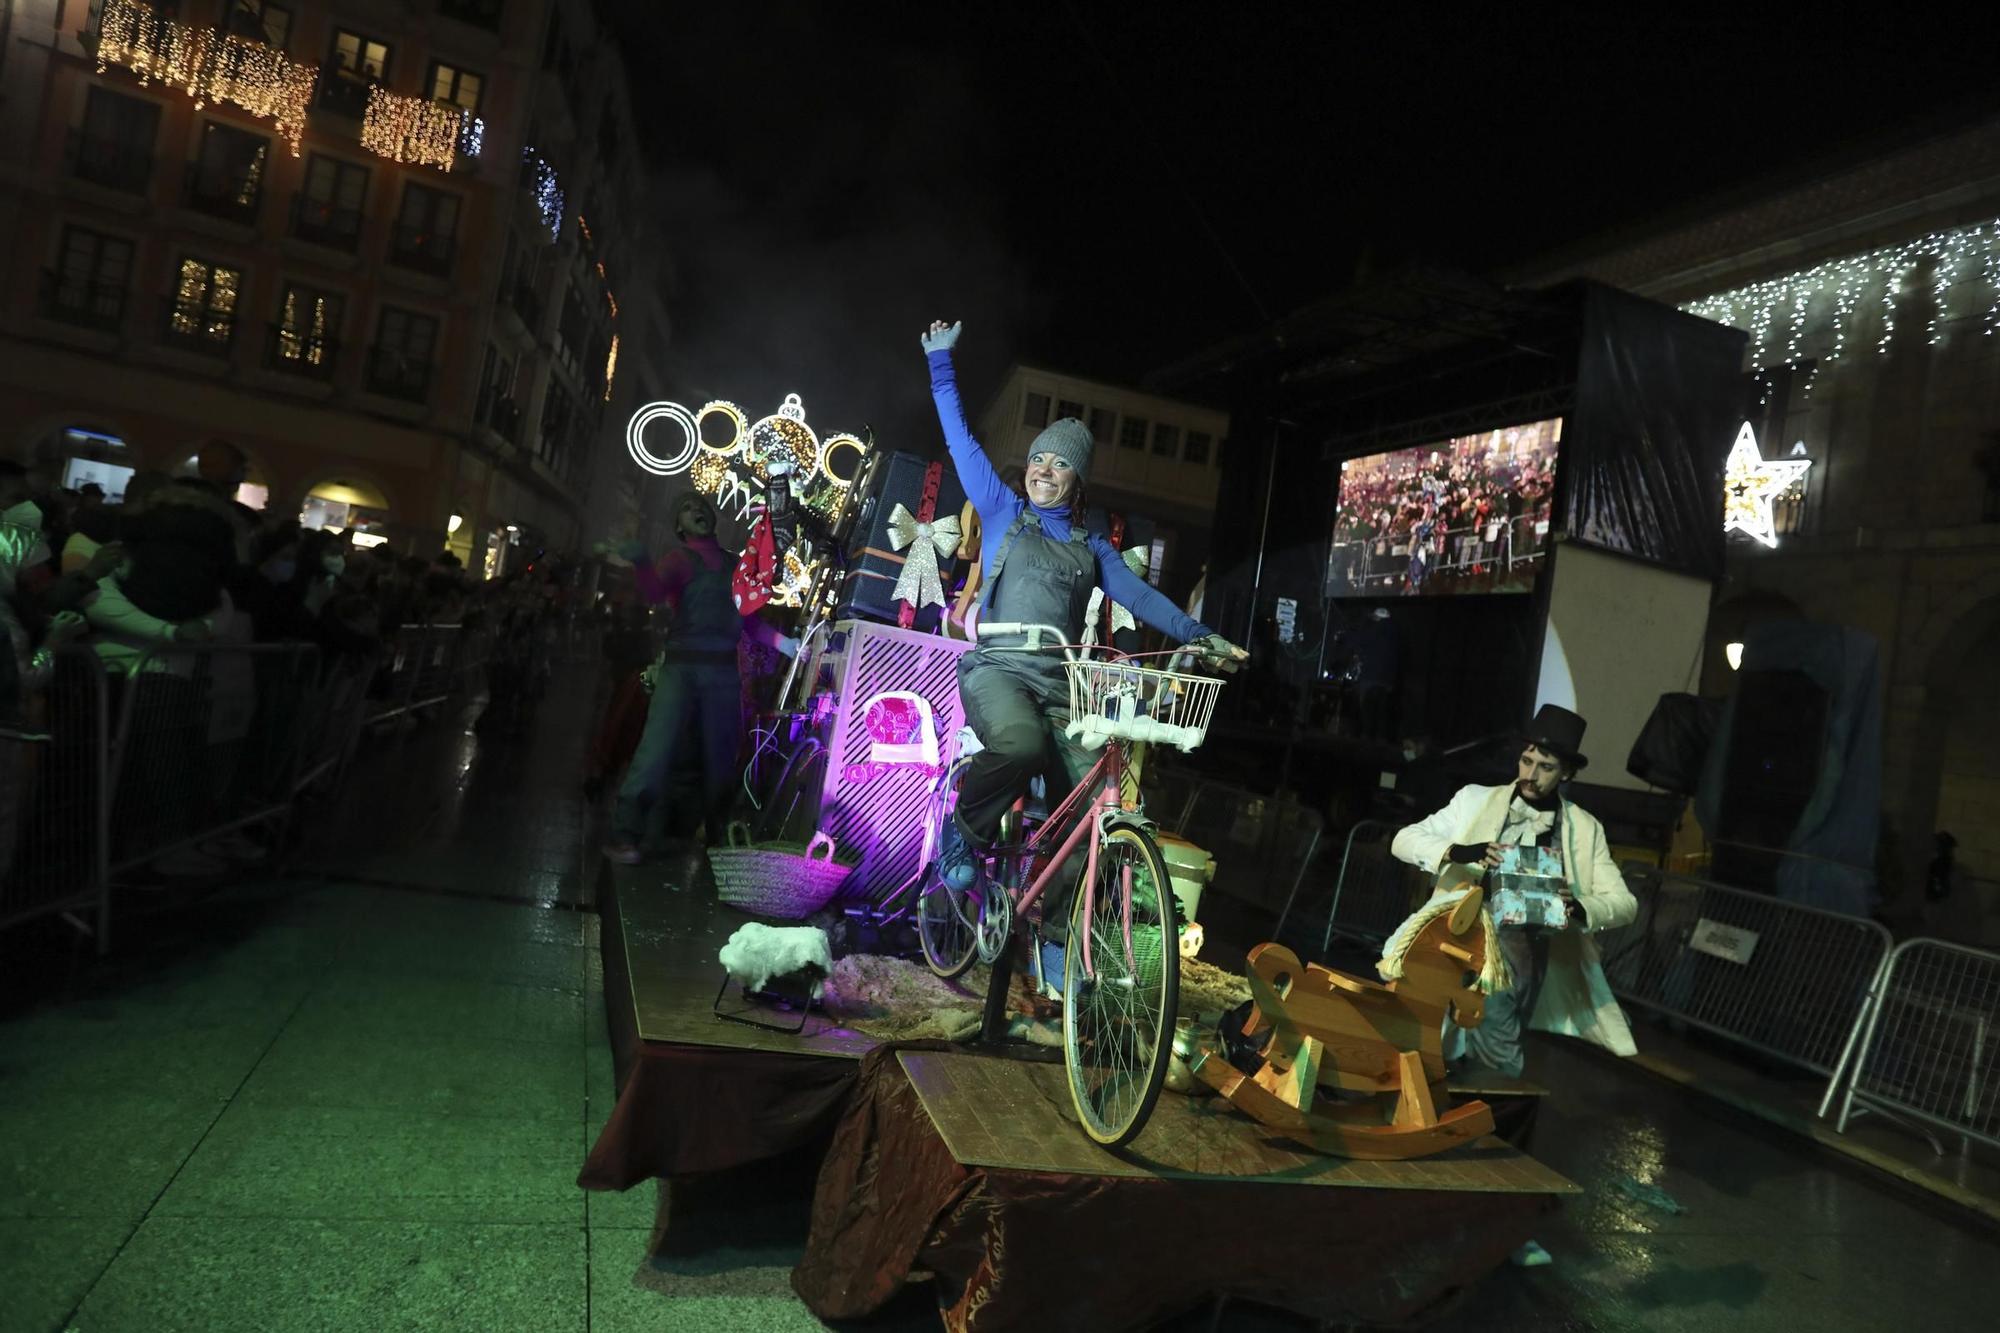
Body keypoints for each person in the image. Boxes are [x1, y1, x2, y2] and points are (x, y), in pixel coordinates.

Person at [920, 318, 1246, 893]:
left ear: (1078, 479)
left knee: (1097, 806)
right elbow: (960, 440)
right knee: (1019, 745)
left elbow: (1140, 596)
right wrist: (941, 362)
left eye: (1060, 464)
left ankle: (1058, 930)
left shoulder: (1092, 547)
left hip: (1061, 687)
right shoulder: (1001, 509)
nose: (1044, 471)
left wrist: (1198, 633)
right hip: (998, 672)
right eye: (1039, 459)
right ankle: (962, 831)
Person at [1389, 703, 1637, 1268]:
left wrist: (1581, 905)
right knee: (1422, 1058)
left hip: (1516, 966)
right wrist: (1461, 852)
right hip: (1451, 953)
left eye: (1545, 765)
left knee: (1499, 1082)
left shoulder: (1583, 830)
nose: (1530, 772)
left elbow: (1624, 902)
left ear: (1566, 773)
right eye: (1527, 758)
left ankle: (1499, 1216)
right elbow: (1404, 840)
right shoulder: (1478, 799)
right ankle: (1409, 1193)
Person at [605, 492, 796, 864]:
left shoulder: (734, 564)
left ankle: (719, 837)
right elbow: (654, 594)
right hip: (681, 668)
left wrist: (784, 643)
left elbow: (749, 621)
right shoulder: (679, 559)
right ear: (680, 527)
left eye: (701, 507)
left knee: (721, 758)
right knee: (655, 752)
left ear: (713, 516)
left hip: (722, 672)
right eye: (687, 510)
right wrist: (642, 562)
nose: (697, 512)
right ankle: (624, 832)